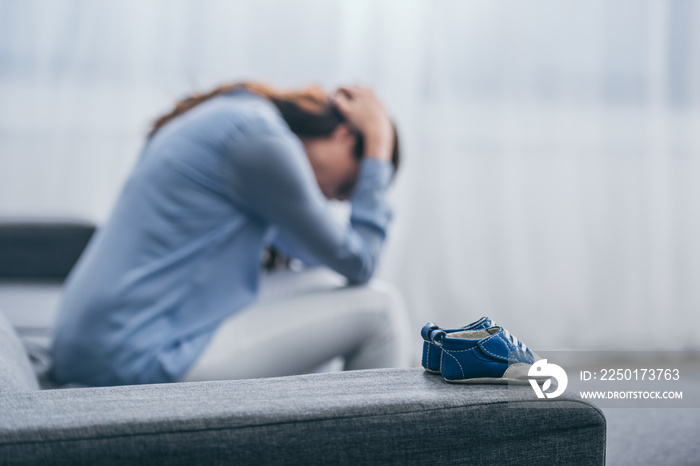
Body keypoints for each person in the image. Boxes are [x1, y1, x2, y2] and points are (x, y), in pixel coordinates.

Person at [49, 82, 411, 386]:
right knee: (381, 311)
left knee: (322, 283)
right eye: (349, 185)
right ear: (344, 134)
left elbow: (324, 258)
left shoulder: (239, 118)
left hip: (94, 347)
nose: (337, 199)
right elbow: (359, 261)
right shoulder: (260, 141)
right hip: (130, 360)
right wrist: (378, 143)